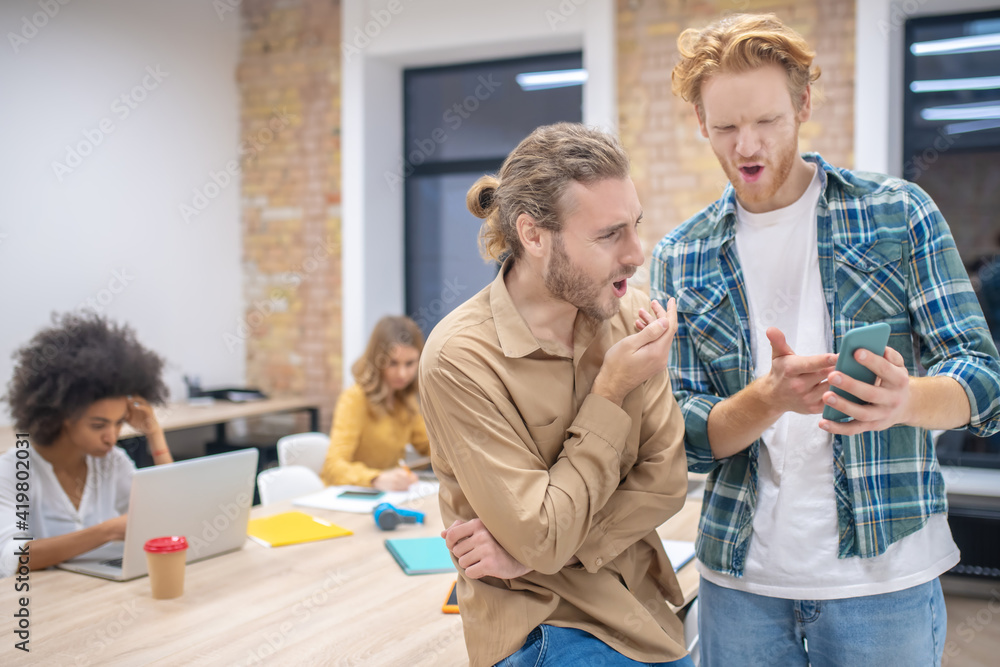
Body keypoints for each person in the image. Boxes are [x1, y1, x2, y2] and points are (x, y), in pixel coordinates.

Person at [648, 13, 1000, 666]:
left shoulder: (898, 213)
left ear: (803, 104)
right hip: (741, 584)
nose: (745, 145)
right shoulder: (681, 255)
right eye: (724, 127)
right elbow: (684, 437)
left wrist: (906, 399)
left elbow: (983, 377)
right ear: (701, 123)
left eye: (766, 121)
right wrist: (767, 398)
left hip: (884, 581)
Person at [419, 123, 692, 667]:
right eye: (609, 234)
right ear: (534, 235)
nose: (638, 253)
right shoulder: (460, 358)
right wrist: (610, 391)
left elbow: (666, 482)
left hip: (646, 617)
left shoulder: (628, 313)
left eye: (635, 226)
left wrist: (542, 552)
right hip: (545, 628)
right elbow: (542, 536)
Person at [0, 312, 175, 577]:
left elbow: (168, 515)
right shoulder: (13, 470)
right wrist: (107, 532)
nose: (111, 436)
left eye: (118, 423)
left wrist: (154, 433)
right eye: (98, 425)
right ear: (62, 416)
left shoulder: (112, 462)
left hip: (96, 597)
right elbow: (12, 560)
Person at [320, 315, 430, 491]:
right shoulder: (354, 399)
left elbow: (427, 445)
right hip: (352, 495)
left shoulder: (405, 399)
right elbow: (332, 468)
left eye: (409, 363)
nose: (402, 374)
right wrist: (376, 479)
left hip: (388, 497)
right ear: (377, 359)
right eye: (393, 363)